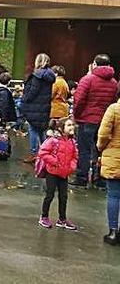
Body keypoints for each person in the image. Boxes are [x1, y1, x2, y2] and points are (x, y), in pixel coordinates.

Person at [72, 54, 118, 186]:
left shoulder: (87, 80)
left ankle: (82, 178)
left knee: (84, 150)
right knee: (101, 150)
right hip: (104, 121)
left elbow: (78, 100)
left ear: (94, 64)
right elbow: (113, 101)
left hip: (87, 120)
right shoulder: (114, 83)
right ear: (109, 65)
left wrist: (77, 115)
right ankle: (100, 179)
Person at [38, 117, 79, 230]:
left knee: (63, 196)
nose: (72, 127)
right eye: (69, 125)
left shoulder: (72, 141)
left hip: (64, 173)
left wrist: (72, 166)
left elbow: (75, 156)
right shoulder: (53, 140)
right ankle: (44, 216)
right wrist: (54, 161)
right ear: (61, 128)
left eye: (72, 125)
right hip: (52, 172)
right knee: (50, 194)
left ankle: (62, 219)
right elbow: (43, 152)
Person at [20, 54, 56, 163]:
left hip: (34, 107)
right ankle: (46, 151)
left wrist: (24, 98)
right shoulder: (49, 76)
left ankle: (34, 153)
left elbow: (32, 92)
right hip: (44, 107)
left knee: (33, 129)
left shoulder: (38, 75)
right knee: (41, 130)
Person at [97, 91, 120, 245]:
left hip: (114, 155)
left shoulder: (114, 109)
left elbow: (104, 134)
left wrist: (101, 147)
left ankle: (113, 232)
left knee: (114, 195)